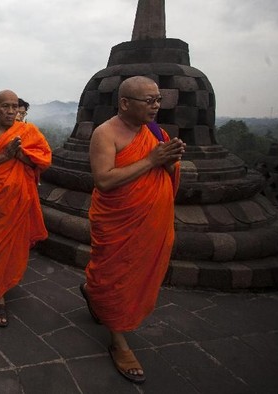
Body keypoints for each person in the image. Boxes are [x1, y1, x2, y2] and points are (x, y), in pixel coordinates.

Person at [80, 76, 185, 384]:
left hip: (150, 222)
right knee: (116, 276)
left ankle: (93, 293)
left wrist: (169, 160)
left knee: (132, 275)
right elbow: (104, 180)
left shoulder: (155, 132)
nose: (155, 106)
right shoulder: (105, 133)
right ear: (125, 103)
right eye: (148, 100)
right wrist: (153, 159)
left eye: (157, 100)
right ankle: (118, 340)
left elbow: (164, 171)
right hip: (118, 222)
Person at [0, 89, 51, 328]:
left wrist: (21, 155)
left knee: (14, 251)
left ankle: (2, 283)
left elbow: (44, 160)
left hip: (20, 203)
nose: (11, 111)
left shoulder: (28, 132)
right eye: (5, 106)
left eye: (15, 106)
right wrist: (4, 156)